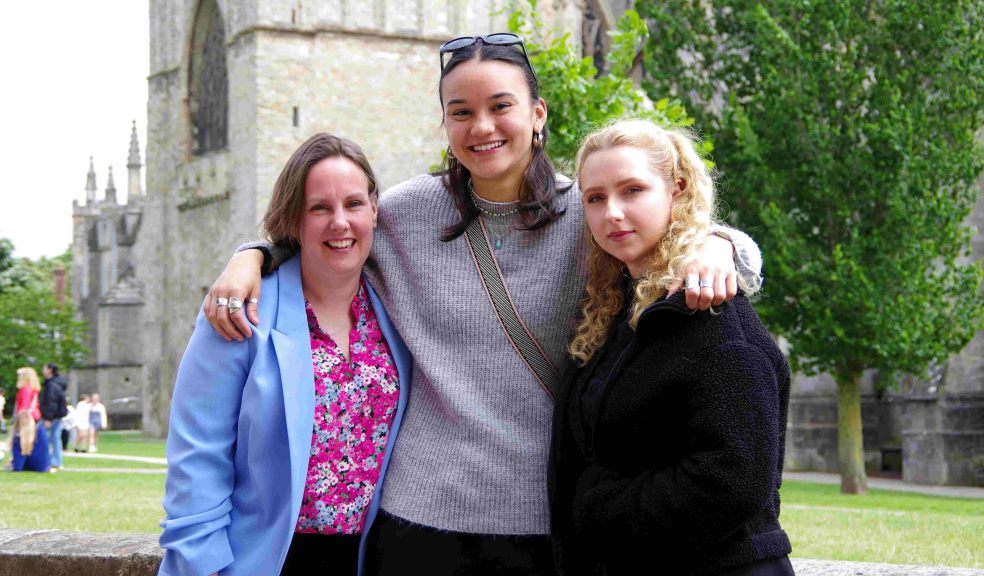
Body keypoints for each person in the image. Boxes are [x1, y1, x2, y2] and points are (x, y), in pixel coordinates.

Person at [204, 35, 761, 574]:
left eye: (501, 106)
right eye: (461, 111)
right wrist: (252, 255)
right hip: (418, 521)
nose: (483, 127)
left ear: (537, 114)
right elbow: (326, 236)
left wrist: (723, 246)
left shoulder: (591, 212)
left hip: (548, 521)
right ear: (446, 126)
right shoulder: (403, 214)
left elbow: (670, 238)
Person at [159, 133, 412, 576]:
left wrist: (250, 254)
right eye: (320, 208)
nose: (340, 222)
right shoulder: (241, 310)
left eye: (354, 204)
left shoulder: (394, 305)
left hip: (369, 558)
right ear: (294, 218)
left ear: (375, 209)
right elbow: (198, 457)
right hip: (263, 560)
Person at [550, 119, 792, 575]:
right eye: (595, 198)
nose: (612, 213)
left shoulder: (711, 313)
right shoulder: (614, 309)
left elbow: (733, 480)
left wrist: (596, 508)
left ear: (676, 190)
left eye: (632, 190)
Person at [40, 363, 68, 471]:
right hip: (56, 415)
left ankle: (52, 460)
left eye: (44, 368)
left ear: (50, 370)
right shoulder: (56, 383)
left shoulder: (52, 385)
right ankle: (56, 461)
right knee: (55, 438)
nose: (43, 370)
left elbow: (51, 402)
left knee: (43, 436)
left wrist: (48, 418)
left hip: (51, 416)